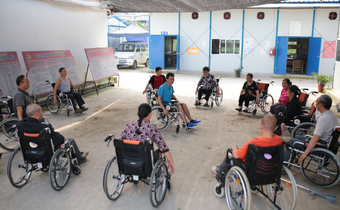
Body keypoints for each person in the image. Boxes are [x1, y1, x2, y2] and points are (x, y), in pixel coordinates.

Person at [211, 115, 283, 177]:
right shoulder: (279, 140)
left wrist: (234, 149)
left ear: (261, 126)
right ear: (275, 128)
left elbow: (236, 155)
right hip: (268, 168)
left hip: (251, 168)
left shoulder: (254, 142)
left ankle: (219, 171)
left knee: (230, 154)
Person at [16, 104, 89, 164]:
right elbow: (60, 140)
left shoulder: (20, 125)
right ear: (37, 114)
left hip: (30, 151)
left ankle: (80, 154)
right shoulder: (44, 128)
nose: (42, 115)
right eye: (41, 112)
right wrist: (52, 131)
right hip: (45, 153)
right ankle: (80, 158)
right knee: (70, 141)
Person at [120, 103, 175, 174]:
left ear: (138, 112)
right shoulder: (152, 128)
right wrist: (171, 161)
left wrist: (119, 157)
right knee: (159, 151)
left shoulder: (128, 125)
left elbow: (120, 143)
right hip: (145, 162)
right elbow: (163, 147)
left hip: (127, 159)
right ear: (150, 114)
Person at [284, 95, 339, 164]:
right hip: (326, 144)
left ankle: (285, 163)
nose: (316, 104)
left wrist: (305, 154)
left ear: (321, 105)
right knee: (297, 137)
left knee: (292, 141)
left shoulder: (323, 119)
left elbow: (316, 137)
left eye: (316, 102)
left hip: (320, 145)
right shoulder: (332, 116)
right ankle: (291, 159)